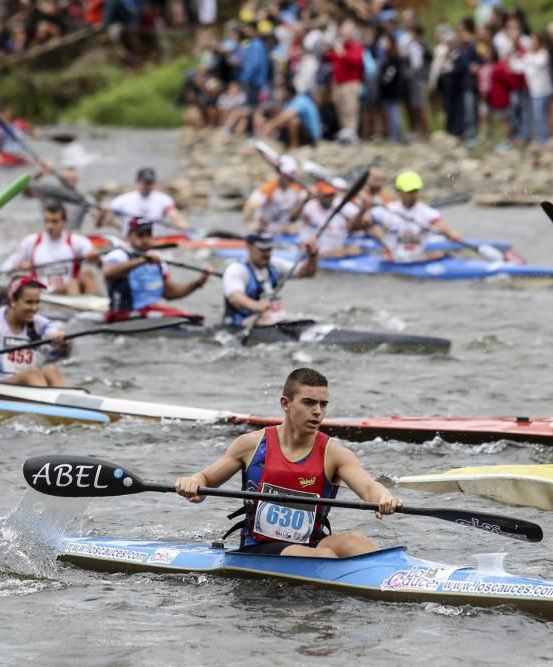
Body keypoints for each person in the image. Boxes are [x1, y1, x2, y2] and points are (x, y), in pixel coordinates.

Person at [174, 368, 401, 557]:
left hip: (311, 546)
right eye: (309, 403)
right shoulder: (251, 445)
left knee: (355, 540)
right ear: (285, 403)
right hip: (258, 548)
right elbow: (204, 483)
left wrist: (383, 498)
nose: (317, 412)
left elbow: (369, 487)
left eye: (323, 404)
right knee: (323, 556)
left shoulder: (335, 454)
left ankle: (401, 578)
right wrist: (192, 483)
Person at [101, 219, 211, 322]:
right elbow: (108, 273)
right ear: (129, 236)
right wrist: (142, 261)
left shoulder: (158, 260)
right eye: (140, 235)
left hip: (150, 314)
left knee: (193, 318)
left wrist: (198, 283)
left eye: (148, 235)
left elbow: (170, 293)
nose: (145, 240)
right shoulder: (119, 255)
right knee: (184, 318)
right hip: (124, 315)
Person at [355, 171, 463, 263]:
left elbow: (445, 227)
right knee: (372, 229)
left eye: (415, 191)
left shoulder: (427, 212)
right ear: (398, 191)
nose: (412, 195)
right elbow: (358, 225)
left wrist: (452, 234)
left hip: (419, 260)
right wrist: (363, 209)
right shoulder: (385, 211)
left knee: (440, 254)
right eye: (408, 191)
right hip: (393, 261)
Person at [0, 200, 101, 295]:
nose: (50, 226)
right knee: (73, 284)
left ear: (65, 221)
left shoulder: (76, 241)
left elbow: (98, 260)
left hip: (67, 291)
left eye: (54, 221)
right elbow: (5, 268)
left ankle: (96, 310)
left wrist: (95, 257)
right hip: (42, 293)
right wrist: (18, 267)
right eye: (47, 221)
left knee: (87, 275)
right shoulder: (31, 242)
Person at [222, 231, 317, 328]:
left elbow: (307, 273)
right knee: (270, 319)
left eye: (269, 249)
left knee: (304, 321)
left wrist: (313, 255)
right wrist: (256, 306)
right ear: (249, 247)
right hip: (240, 323)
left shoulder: (274, 265)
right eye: (262, 249)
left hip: (269, 318)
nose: (267, 253)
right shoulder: (237, 269)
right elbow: (234, 298)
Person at [289, 180, 368, 258]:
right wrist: (304, 201)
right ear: (319, 194)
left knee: (357, 250)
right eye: (326, 195)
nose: (329, 198)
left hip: (336, 251)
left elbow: (363, 221)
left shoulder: (340, 204)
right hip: (314, 253)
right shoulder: (310, 205)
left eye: (331, 195)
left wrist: (363, 209)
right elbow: (292, 219)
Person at [106, 167, 189, 236]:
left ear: (154, 182)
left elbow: (175, 216)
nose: (147, 186)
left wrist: (182, 226)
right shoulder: (122, 200)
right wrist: (111, 219)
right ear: (137, 181)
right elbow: (104, 218)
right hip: (131, 240)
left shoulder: (164, 199)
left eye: (150, 183)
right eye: (145, 183)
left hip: (156, 238)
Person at [242, 155, 305, 233]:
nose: (288, 179)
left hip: (286, 229)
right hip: (266, 228)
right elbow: (251, 206)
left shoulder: (296, 189)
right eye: (286, 176)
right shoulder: (269, 188)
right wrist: (248, 224)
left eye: (291, 176)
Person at [25, 165, 94, 230]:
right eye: (67, 179)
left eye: (73, 179)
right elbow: (26, 189)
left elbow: (96, 213)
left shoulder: (82, 199)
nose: (70, 182)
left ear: (77, 180)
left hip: (72, 235)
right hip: (50, 232)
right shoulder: (49, 190)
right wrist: (40, 173)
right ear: (60, 179)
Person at [258, 82, 323, 149]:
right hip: (307, 134)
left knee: (292, 120)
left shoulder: (300, 100)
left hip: (313, 137)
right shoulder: (290, 102)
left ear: (288, 92)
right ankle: (265, 141)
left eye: (281, 91)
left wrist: (270, 125)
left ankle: (294, 147)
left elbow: (287, 116)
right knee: (280, 121)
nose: (278, 93)